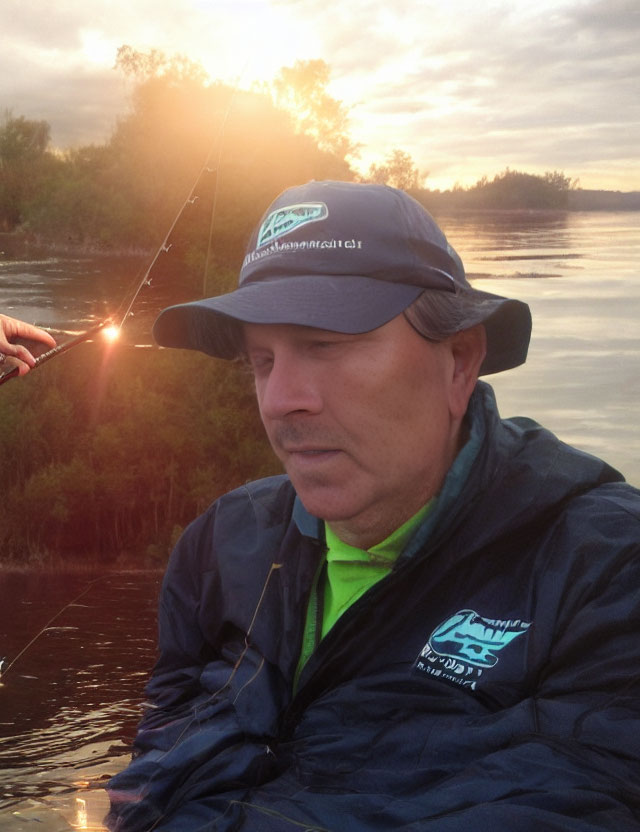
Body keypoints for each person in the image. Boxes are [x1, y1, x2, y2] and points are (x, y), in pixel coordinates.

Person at [107, 181, 640, 831]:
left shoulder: (605, 572)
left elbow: (580, 802)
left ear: (460, 362)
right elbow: (162, 738)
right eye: (262, 360)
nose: (280, 399)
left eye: (325, 345)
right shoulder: (219, 544)